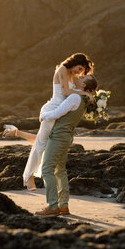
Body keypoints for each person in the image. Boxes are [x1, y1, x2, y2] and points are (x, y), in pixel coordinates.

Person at [2, 53, 94, 191]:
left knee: (44, 142)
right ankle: (28, 177)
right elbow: (68, 92)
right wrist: (86, 94)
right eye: (79, 68)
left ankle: (16, 132)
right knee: (41, 144)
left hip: (60, 112)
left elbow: (73, 93)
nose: (79, 72)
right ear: (75, 62)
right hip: (52, 109)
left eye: (81, 71)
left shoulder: (71, 75)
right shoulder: (62, 69)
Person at [35, 73, 98, 216]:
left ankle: (52, 206)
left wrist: (43, 116)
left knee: (46, 169)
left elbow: (57, 113)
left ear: (83, 85)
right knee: (60, 170)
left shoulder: (75, 97)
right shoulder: (83, 98)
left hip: (59, 136)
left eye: (83, 78)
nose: (79, 77)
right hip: (66, 136)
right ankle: (63, 205)